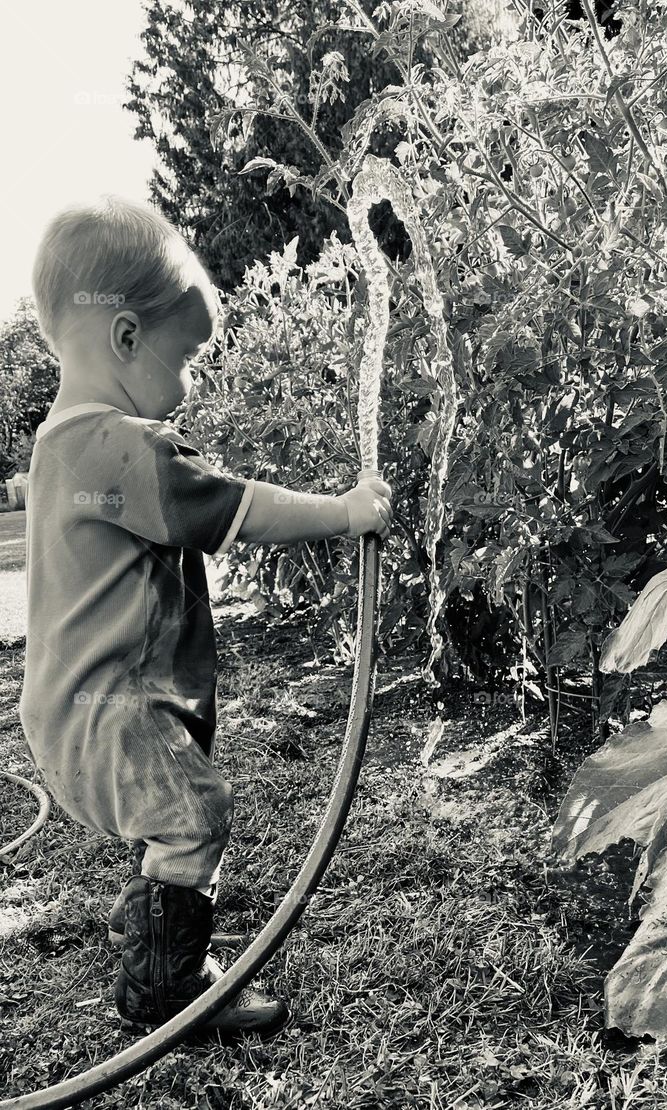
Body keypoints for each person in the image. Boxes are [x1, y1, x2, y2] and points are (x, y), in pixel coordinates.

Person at [18, 195, 393, 1037]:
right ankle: (163, 993)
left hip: (73, 711)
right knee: (195, 816)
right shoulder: (119, 445)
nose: (190, 384)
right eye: (187, 358)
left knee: (175, 820)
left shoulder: (58, 445)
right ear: (124, 338)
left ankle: (150, 923)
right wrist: (344, 511)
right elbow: (236, 510)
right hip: (108, 712)